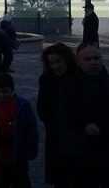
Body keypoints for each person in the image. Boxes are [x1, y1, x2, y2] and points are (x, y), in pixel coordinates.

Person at [60, 44, 109, 188]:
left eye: (96, 58)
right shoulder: (68, 87)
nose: (93, 62)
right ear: (78, 61)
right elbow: (63, 119)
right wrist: (83, 127)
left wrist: (104, 129)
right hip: (81, 159)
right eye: (87, 59)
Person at [0, 73, 38, 188]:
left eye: (5, 91)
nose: (2, 95)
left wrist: (31, 149)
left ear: (12, 90)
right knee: (1, 181)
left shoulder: (23, 105)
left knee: (21, 180)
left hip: (18, 151)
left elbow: (31, 129)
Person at [37, 43, 77, 188]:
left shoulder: (77, 78)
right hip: (56, 135)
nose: (55, 66)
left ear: (67, 59)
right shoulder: (46, 79)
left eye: (58, 61)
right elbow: (42, 109)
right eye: (51, 63)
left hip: (76, 136)